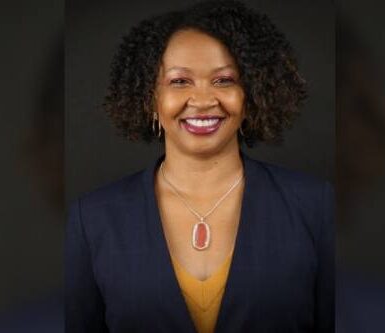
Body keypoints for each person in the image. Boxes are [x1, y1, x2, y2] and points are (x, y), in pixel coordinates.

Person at [65, 1, 334, 332]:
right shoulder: (92, 220)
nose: (204, 100)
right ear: (150, 99)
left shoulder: (316, 206)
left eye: (224, 80)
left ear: (252, 95)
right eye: (180, 81)